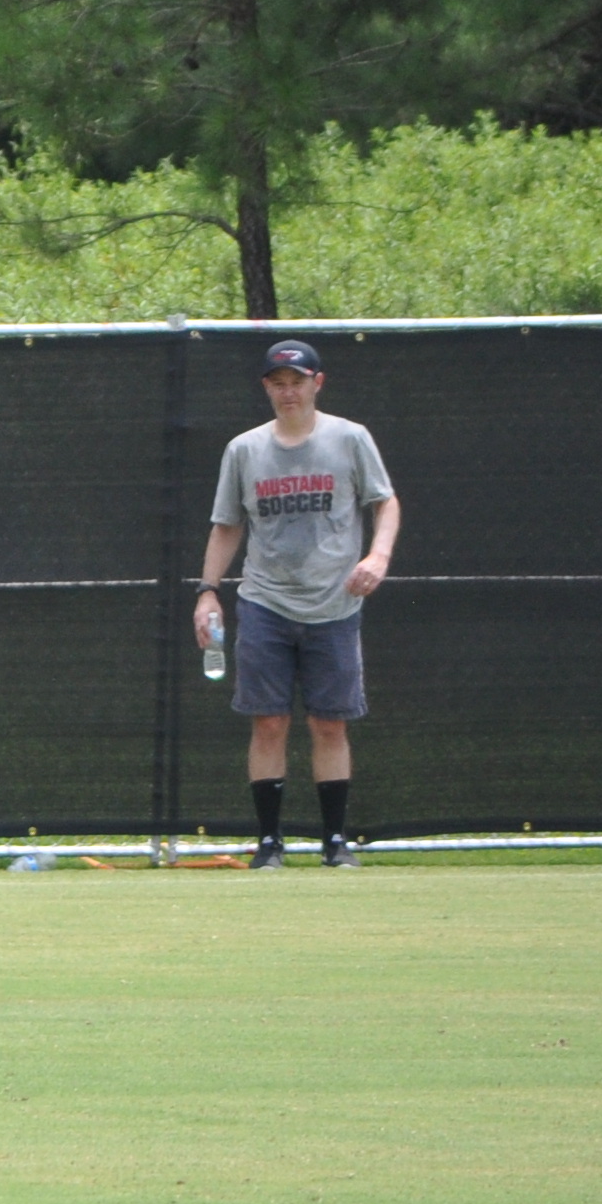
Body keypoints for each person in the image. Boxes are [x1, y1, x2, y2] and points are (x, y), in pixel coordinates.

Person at [197, 336, 399, 868]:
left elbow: (386, 502)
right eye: (278, 383)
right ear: (267, 387)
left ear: (317, 383)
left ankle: (335, 842)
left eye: (298, 382)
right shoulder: (244, 449)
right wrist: (208, 592)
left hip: (335, 607)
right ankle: (270, 844)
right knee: (268, 721)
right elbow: (226, 526)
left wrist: (377, 557)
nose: (288, 393)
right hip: (265, 602)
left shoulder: (350, 439)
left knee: (329, 723)